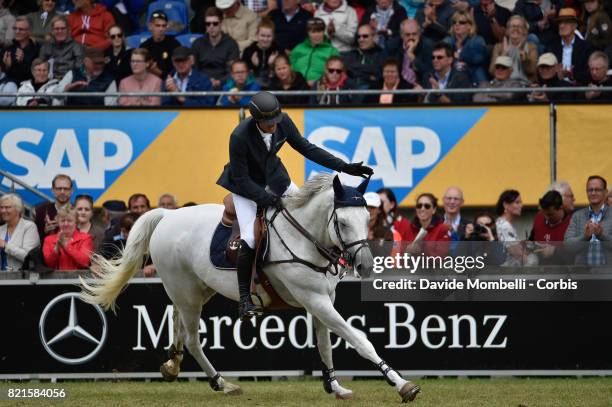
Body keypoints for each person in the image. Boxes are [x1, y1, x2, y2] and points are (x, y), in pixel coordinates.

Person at [216, 91, 373, 320]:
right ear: (257, 119)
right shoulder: (239, 136)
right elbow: (241, 180)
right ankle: (245, 299)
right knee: (249, 237)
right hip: (246, 187)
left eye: (275, 121)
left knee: (304, 214)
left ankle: (329, 267)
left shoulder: (282, 121)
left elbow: (307, 148)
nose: (273, 126)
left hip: (275, 177)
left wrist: (345, 167)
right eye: (268, 123)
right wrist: (268, 200)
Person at [564, 175, 611, 265]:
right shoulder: (577, 216)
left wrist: (602, 236)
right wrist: (584, 237)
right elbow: (567, 245)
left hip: (608, 275)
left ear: (605, 192)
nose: (593, 193)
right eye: (590, 190)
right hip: (583, 274)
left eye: (597, 190)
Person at [191, 6, 240, 89]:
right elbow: (193, 69)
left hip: (224, 86)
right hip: (200, 85)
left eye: (215, 23)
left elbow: (232, 71)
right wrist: (203, 81)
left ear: (221, 23)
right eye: (208, 24)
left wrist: (219, 82)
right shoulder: (198, 43)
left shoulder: (231, 44)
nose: (211, 26)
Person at [290, 17, 340, 86]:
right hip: (296, 86)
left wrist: (318, 82)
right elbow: (291, 66)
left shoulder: (332, 51)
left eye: (319, 31)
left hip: (320, 86)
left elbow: (336, 72)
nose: (316, 35)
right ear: (308, 33)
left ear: (323, 32)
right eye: (313, 32)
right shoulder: (298, 48)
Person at [550, 8, 594, 85]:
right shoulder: (551, 47)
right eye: (560, 22)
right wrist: (557, 75)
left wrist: (573, 75)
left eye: (566, 22)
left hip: (578, 91)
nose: (562, 25)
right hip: (557, 91)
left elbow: (591, 73)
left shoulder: (586, 47)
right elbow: (544, 74)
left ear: (575, 25)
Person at [443, 10, 489, 85]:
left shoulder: (477, 40)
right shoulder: (447, 41)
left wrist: (459, 56)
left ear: (469, 26)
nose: (457, 24)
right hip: (453, 78)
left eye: (461, 22)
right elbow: (441, 58)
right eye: (454, 22)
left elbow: (478, 58)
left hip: (473, 76)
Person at [489, 15, 538, 84]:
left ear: (524, 31)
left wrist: (523, 55)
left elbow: (531, 71)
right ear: (508, 30)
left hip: (524, 85)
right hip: (503, 85)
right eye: (513, 26)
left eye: (519, 26)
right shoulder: (499, 47)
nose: (516, 29)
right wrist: (504, 53)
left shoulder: (531, 47)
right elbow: (492, 71)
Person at [43, 206, 94, 271]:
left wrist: (66, 246)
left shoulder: (86, 238)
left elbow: (84, 262)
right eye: (63, 221)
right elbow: (49, 265)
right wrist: (56, 249)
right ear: (58, 222)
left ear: (76, 222)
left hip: (78, 279)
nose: (66, 224)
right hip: (55, 279)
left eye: (69, 221)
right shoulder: (48, 240)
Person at [528, 190, 572, 265]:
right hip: (540, 269)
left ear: (560, 208)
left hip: (562, 271)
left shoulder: (572, 224)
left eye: (550, 214)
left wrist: (555, 251)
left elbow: (575, 254)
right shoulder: (539, 217)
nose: (546, 217)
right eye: (544, 213)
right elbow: (531, 239)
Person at [0, 193, 40, 272]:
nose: (3, 211)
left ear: (18, 209)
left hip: (22, 279)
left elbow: (28, 256)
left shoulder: (29, 227)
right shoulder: (1, 229)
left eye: (7, 207)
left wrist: (5, 246)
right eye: (1, 207)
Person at [495, 189, 535, 266]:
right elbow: (516, 253)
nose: (521, 205)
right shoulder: (504, 226)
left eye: (521, 202)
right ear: (505, 205)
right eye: (517, 202)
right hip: (507, 273)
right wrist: (531, 264)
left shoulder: (503, 223)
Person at [403, 193, 451, 257]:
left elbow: (439, 258)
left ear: (434, 210)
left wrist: (421, 250)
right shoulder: (408, 228)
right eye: (419, 206)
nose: (422, 209)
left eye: (427, 206)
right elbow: (400, 258)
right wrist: (406, 251)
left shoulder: (442, 229)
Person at [38, 15, 84, 80]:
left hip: (69, 81)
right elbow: (40, 67)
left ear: (68, 30)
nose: (60, 31)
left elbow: (79, 69)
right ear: (52, 31)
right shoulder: (46, 47)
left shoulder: (76, 46)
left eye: (63, 28)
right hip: (49, 81)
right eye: (57, 29)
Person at [342, 24, 386, 91]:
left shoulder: (382, 54)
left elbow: (378, 75)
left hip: (371, 92)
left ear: (373, 37)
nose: (361, 39)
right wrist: (368, 75)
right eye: (358, 37)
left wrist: (357, 70)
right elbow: (346, 72)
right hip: (351, 89)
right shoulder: (352, 54)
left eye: (365, 36)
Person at [141, 10, 181, 78]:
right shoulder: (144, 47)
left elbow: (179, 71)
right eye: (157, 26)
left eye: (163, 26)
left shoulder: (174, 44)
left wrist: (158, 72)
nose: (161, 29)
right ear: (150, 26)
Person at [34, 174, 73, 242]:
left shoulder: (78, 211)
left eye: (66, 189)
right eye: (59, 188)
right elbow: (34, 240)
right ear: (52, 190)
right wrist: (45, 232)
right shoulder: (41, 210)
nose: (62, 192)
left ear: (71, 191)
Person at [242, 18, 280, 88]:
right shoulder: (249, 51)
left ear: (273, 36)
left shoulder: (278, 50)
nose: (265, 39)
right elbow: (244, 73)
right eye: (262, 36)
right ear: (257, 35)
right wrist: (254, 65)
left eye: (268, 36)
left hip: (273, 84)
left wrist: (271, 65)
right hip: (253, 85)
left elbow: (281, 73)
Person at [395, 18, 433, 86]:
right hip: (398, 87)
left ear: (419, 34)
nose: (411, 37)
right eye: (407, 35)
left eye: (414, 34)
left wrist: (413, 58)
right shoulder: (393, 45)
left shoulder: (428, 46)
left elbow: (429, 72)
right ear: (401, 35)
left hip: (419, 87)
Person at [2, 16, 39, 85]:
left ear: (29, 31)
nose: (17, 31)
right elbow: (4, 72)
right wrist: (7, 66)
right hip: (7, 84)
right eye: (15, 28)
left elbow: (36, 74)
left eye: (21, 29)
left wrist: (23, 61)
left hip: (27, 87)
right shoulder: (9, 47)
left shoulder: (36, 48)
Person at [364, 191, 397, 258]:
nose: (369, 210)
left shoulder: (387, 233)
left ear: (379, 210)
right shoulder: (354, 230)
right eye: (366, 207)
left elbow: (384, 258)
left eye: (372, 207)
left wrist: (371, 240)